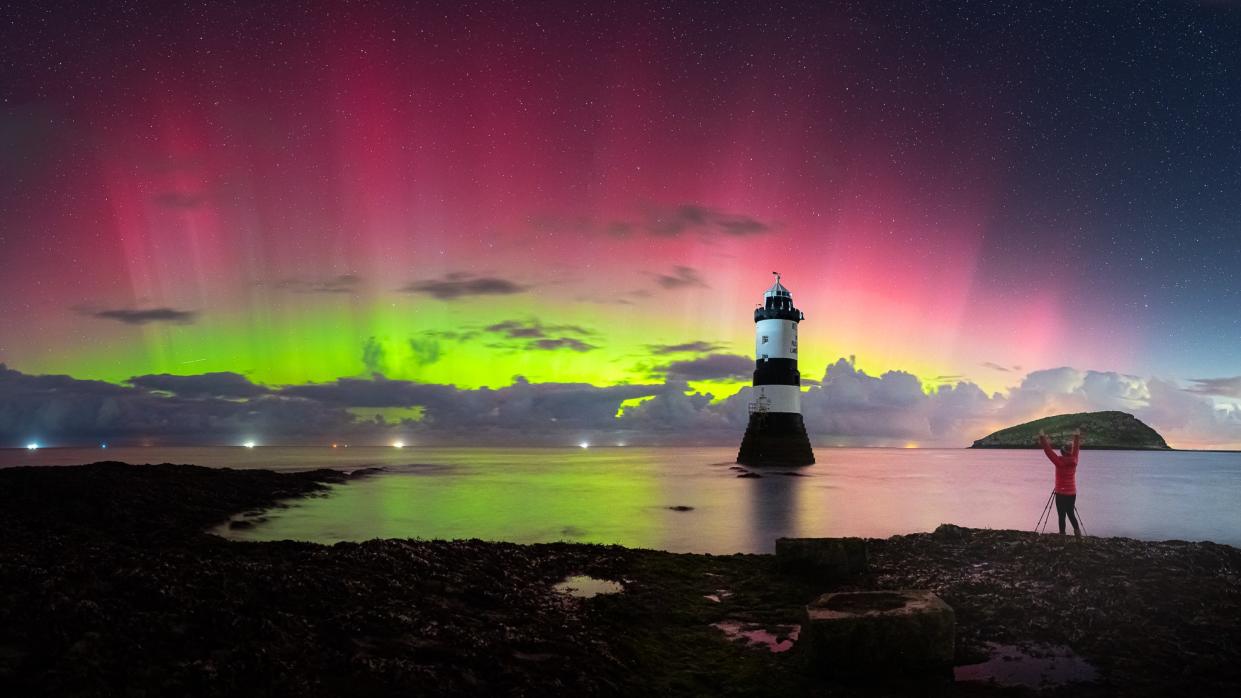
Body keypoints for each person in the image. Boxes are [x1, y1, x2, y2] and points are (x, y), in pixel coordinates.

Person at [1038, 428, 1083, 536]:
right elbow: (1076, 449)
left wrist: (1042, 437)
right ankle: (1078, 535)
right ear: (1070, 451)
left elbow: (1048, 451)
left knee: (1061, 515)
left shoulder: (1058, 461)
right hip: (1072, 493)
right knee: (1071, 514)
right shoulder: (1075, 460)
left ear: (1062, 452)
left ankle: (1062, 536)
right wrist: (1076, 436)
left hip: (1060, 493)